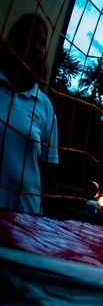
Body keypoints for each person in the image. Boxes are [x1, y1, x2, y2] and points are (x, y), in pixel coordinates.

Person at [0, 13, 59, 214]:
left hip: (27, 219)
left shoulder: (45, 106)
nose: (35, 47)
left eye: (41, 42)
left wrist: (48, 224)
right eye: (29, 37)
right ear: (13, 40)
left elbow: (49, 175)